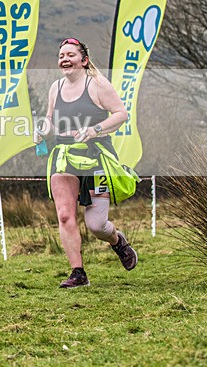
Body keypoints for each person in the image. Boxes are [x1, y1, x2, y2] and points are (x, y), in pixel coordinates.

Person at [37, 38, 138, 288]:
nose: (65, 59)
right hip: (64, 157)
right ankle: (78, 273)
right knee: (64, 215)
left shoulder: (97, 84)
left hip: (96, 157)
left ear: (83, 60)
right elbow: (51, 119)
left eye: (70, 54)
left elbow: (121, 114)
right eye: (61, 55)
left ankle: (118, 241)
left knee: (96, 225)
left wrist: (94, 129)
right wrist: (42, 128)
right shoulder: (55, 88)